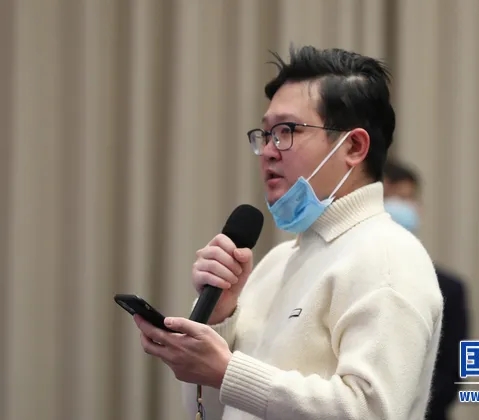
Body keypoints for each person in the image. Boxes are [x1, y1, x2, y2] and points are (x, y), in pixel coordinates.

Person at [133, 45, 444, 420]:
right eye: (265, 134)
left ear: (354, 146)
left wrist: (229, 372)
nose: (268, 150)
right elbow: (216, 413)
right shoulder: (276, 263)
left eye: (287, 131)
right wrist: (219, 319)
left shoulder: (388, 257)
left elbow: (371, 411)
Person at [382, 159, 470, 420]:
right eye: (390, 198)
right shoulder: (346, 278)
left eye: (406, 198)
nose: (400, 207)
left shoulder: (448, 289)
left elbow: (452, 373)